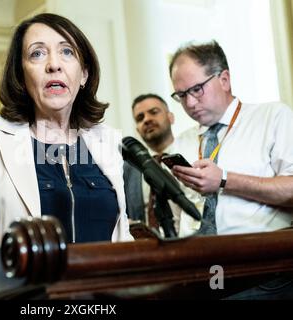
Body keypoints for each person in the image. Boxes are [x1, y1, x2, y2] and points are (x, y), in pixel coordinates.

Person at [0, 13, 133, 276]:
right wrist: (19, 268)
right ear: (21, 76)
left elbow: (122, 238)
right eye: (37, 54)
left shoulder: (106, 141)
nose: (54, 65)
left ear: (84, 74)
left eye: (67, 52)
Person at [168, 40, 293, 237]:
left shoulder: (273, 117)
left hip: (259, 252)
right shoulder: (180, 143)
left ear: (224, 80)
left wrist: (225, 179)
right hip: (195, 258)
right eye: (182, 95)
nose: (190, 103)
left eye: (197, 89)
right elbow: (175, 214)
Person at [124, 94, 175, 222]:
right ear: (137, 130)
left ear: (171, 117)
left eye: (154, 112)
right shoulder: (129, 169)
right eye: (140, 118)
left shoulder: (192, 153)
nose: (147, 119)